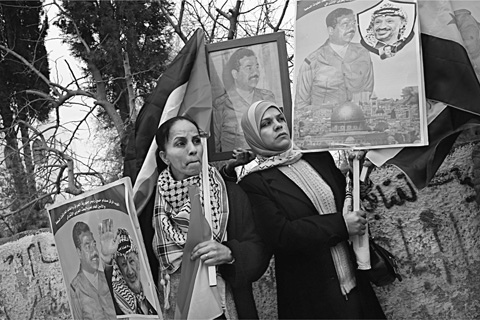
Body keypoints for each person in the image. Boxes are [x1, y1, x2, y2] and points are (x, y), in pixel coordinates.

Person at [238, 100, 386, 319]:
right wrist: (341, 225)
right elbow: (281, 235)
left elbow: (345, 202)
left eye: (280, 119)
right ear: (253, 135)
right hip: (312, 299)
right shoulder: (254, 183)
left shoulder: (318, 157)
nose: (278, 126)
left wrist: (358, 175)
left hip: (356, 287)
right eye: (266, 124)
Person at [152, 115, 269, 319]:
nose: (193, 149)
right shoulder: (152, 207)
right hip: (179, 309)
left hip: (230, 307)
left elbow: (259, 251)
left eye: (196, 140)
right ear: (164, 156)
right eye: (181, 143)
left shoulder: (231, 194)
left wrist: (230, 253)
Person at [295, 7, 374, 109]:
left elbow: (368, 90)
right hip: (323, 122)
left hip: (357, 120)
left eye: (353, 23)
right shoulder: (311, 62)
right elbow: (301, 105)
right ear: (331, 30)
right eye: (345, 24)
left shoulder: (363, 53)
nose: (352, 28)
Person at [213, 47, 275, 153]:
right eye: (249, 68)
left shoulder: (267, 98)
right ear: (235, 74)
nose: (255, 72)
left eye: (257, 67)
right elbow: (215, 147)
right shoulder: (220, 105)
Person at [99, 220, 157, 316]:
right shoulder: (119, 301)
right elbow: (107, 283)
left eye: (131, 261)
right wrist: (106, 258)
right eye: (124, 265)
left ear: (138, 261)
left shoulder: (150, 298)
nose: (130, 271)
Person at [69, 221, 117, 320]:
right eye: (87, 246)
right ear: (79, 252)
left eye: (94, 244)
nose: (94, 251)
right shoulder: (75, 288)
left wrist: (108, 257)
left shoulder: (107, 277)